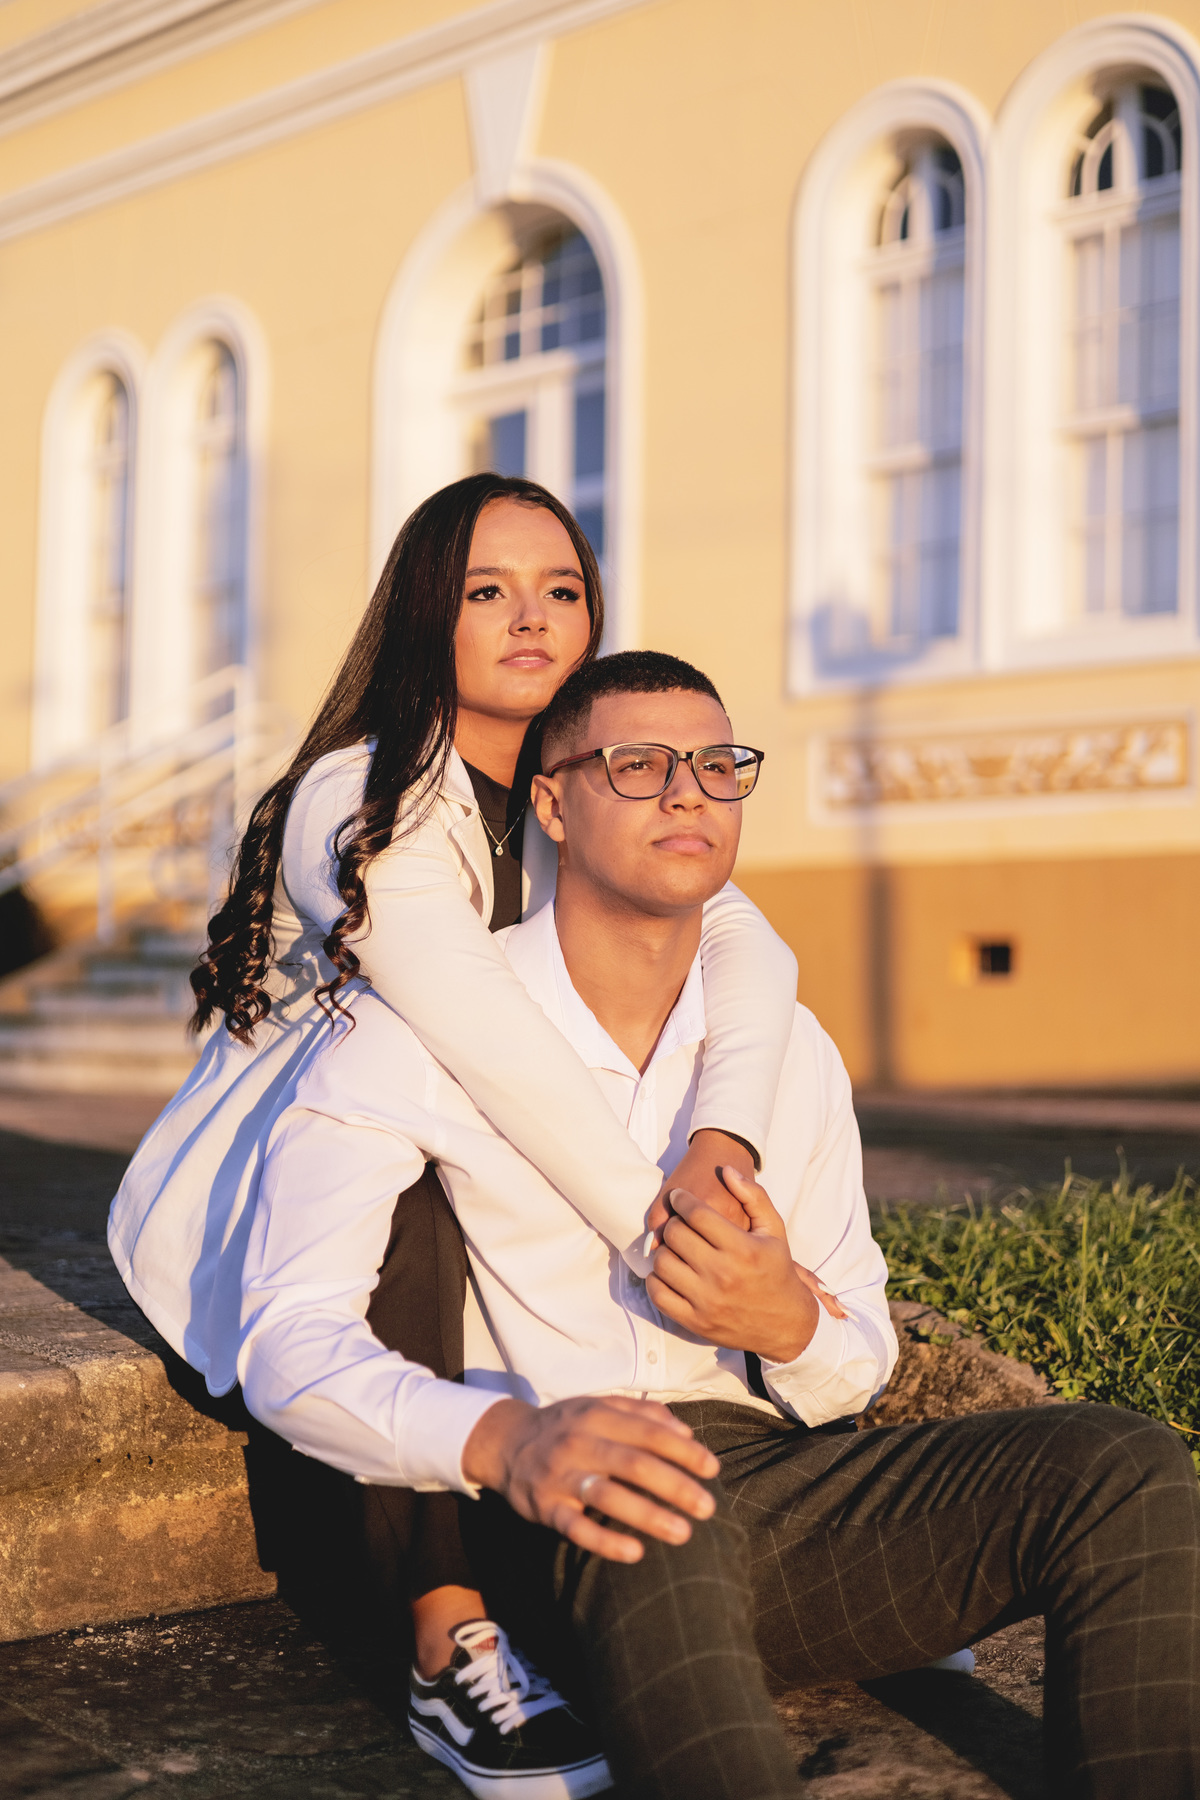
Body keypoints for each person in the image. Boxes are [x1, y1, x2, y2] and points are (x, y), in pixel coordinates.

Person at [242, 650, 1200, 1800]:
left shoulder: (787, 1049)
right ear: (553, 802)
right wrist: (509, 1444)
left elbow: (857, 1356)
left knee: (1124, 1463)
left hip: (775, 1491)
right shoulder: (417, 1031)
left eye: (715, 765)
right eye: (638, 765)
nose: (688, 792)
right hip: (560, 1507)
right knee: (655, 1498)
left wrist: (792, 1321)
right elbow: (286, 1338)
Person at [108, 479, 799, 1779]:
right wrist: (669, 1242)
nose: (532, 618)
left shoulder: (586, 778)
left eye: (562, 590)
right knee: (425, 1150)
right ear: (430, 612)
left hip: (497, 1138)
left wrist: (726, 1147)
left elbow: (745, 941)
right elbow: (477, 1034)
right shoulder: (356, 793)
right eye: (489, 591)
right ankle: (447, 1635)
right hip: (305, 1180)